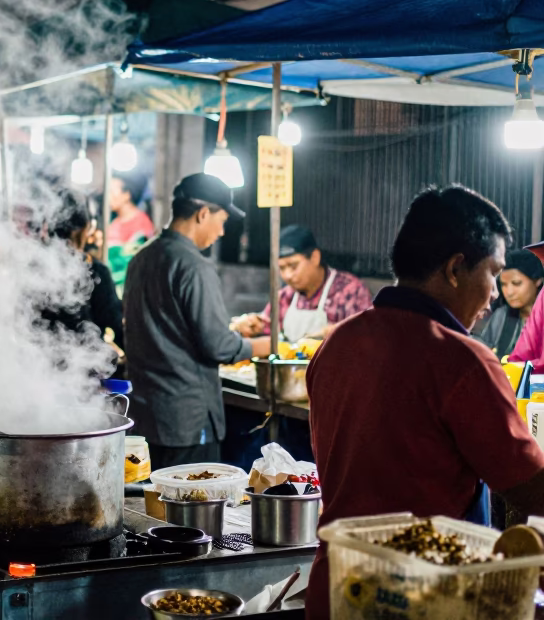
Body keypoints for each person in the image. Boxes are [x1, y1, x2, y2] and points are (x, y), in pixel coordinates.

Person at [304, 185, 544, 619]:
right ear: (456, 269)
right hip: (423, 598)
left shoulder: (338, 341)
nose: (494, 295)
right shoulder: (462, 360)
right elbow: (532, 488)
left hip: (340, 586)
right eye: (493, 273)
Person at [123, 173, 270, 469]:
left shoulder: (142, 258)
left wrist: (233, 329)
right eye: (222, 220)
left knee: (152, 508)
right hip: (186, 423)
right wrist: (267, 344)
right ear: (204, 214)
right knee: (186, 510)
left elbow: (169, 328)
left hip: (146, 418)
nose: (222, 232)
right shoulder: (194, 266)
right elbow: (218, 347)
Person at [232, 225, 374, 342]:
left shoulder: (351, 291)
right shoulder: (285, 297)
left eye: (293, 266)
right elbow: (267, 328)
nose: (287, 275)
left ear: (315, 257)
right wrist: (253, 326)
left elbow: (368, 336)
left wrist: (334, 333)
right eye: (281, 268)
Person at [38, 189, 124, 352]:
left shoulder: (34, 269)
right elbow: (115, 322)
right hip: (83, 367)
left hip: (40, 367)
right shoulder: (95, 271)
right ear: (84, 228)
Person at [474, 248, 544, 357]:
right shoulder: (502, 316)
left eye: (516, 283)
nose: (509, 292)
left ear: (538, 280)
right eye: (504, 284)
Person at [105, 172, 154, 246]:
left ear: (126, 195)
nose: (108, 197)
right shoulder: (114, 223)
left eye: (111, 192)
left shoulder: (142, 223)